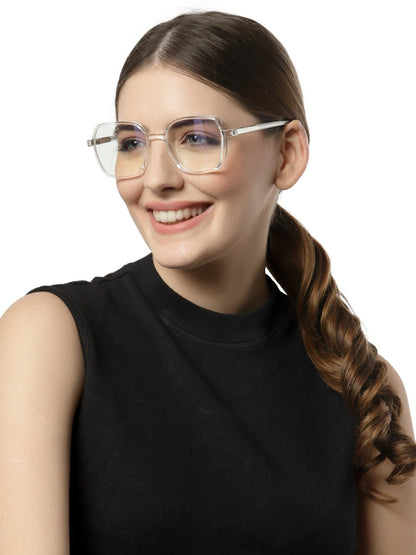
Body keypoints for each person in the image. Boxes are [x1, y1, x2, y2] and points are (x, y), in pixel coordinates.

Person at [0, 10, 415, 554]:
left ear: (287, 154)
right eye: (131, 143)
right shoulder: (51, 337)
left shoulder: (365, 387)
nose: (156, 179)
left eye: (196, 137)